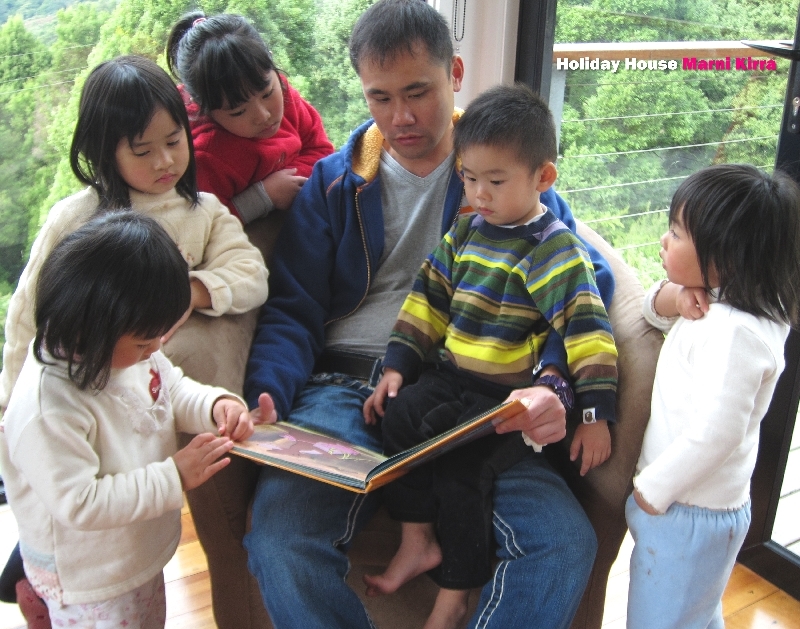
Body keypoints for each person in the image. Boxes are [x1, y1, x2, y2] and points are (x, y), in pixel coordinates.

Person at [242, 2, 615, 628]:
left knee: (562, 543)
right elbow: (291, 311)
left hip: (472, 394)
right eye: (381, 97)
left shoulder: (503, 170)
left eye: (418, 92)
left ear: (455, 74)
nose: (402, 117)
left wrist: (554, 380)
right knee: (281, 540)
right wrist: (268, 395)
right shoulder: (333, 184)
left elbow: (584, 289)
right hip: (344, 386)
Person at [0, 55, 269, 625]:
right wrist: (9, 405)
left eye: (174, 141)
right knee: (61, 510)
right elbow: (25, 318)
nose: (165, 161)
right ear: (105, 151)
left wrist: (216, 400)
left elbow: (171, 378)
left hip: (133, 544)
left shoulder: (200, 215)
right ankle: (37, 578)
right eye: (143, 150)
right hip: (89, 565)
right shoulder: (74, 221)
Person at [360, 83, 618, 629]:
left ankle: (454, 594)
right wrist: (399, 366)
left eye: (496, 182)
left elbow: (587, 331)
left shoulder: (553, 249)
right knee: (398, 418)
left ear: (543, 177)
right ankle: (416, 540)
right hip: (451, 377)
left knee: (462, 472)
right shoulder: (466, 231)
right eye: (469, 177)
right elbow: (428, 298)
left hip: (504, 402)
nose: (479, 194)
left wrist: (594, 415)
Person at [0, 212, 259, 628]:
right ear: (90, 327)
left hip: (133, 556)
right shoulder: (47, 408)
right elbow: (80, 503)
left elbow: (168, 388)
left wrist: (214, 406)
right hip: (89, 578)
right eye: (144, 342)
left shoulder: (123, 351)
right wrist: (174, 476)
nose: (156, 349)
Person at [627, 164, 800, 629]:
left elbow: (719, 432)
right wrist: (678, 297)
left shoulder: (735, 334)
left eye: (677, 233)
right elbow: (650, 309)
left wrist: (650, 492)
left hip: (687, 509)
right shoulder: (729, 304)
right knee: (694, 615)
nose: (664, 240)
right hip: (693, 508)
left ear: (726, 254)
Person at [166, 11, 334, 224]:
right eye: (238, 112)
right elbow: (204, 223)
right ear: (205, 111)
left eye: (267, 94)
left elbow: (321, 149)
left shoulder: (284, 95)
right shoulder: (208, 155)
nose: (263, 116)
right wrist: (264, 196)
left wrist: (291, 182)